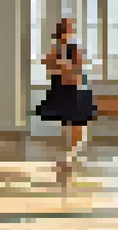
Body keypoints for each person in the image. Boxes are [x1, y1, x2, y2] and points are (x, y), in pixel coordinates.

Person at [34, 18, 96, 168]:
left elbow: (77, 67)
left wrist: (63, 66)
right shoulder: (56, 49)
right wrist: (61, 66)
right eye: (64, 31)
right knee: (67, 123)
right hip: (62, 87)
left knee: (78, 124)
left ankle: (72, 153)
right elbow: (49, 65)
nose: (67, 33)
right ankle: (70, 153)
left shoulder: (75, 48)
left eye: (68, 30)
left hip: (75, 87)